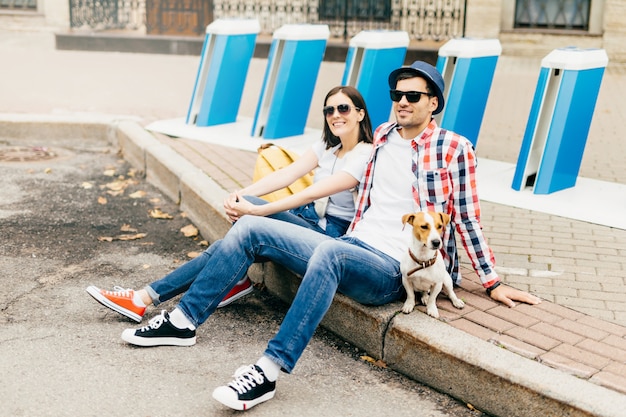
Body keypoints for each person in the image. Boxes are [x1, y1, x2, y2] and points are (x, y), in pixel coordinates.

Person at [94, 61, 542, 411]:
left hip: (389, 269)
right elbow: (316, 169)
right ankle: (184, 321)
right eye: (396, 95)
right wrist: (249, 198)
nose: (401, 102)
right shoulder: (381, 137)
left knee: (325, 250)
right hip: (350, 245)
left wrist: (493, 281)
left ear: (434, 104)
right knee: (250, 227)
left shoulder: (454, 148)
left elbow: (466, 216)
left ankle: (266, 370)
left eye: (412, 95)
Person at [86, 85, 374, 322]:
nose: (335, 115)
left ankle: (146, 298)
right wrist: (241, 195)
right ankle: (147, 296)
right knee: (232, 239)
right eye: (329, 110)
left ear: (360, 113)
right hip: (307, 220)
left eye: (343, 108)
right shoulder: (327, 146)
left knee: (240, 233)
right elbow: (287, 174)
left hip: (328, 237)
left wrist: (256, 211)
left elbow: (309, 194)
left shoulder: (365, 154)